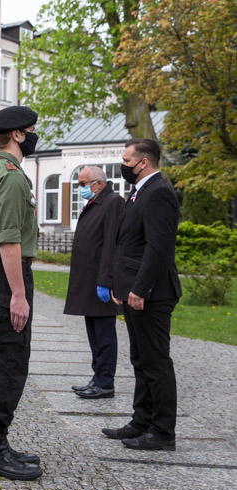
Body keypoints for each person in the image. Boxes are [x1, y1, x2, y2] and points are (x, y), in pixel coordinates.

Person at [0, 105, 42, 481]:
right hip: (5, 277)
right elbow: (9, 241)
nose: (34, 135)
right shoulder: (12, 177)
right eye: (32, 130)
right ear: (17, 134)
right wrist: (19, 294)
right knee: (7, 361)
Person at [103, 138, 181, 451]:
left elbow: (158, 247)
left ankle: (163, 432)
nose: (123, 166)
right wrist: (120, 285)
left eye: (126, 160)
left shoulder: (159, 192)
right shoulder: (140, 192)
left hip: (151, 292)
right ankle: (141, 421)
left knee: (156, 362)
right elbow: (128, 244)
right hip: (133, 290)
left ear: (143, 162)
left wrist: (140, 288)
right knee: (141, 360)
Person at [65, 166, 124, 399]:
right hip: (89, 280)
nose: (80, 188)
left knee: (105, 334)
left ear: (98, 184)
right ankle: (97, 377)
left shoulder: (113, 202)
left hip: (101, 280)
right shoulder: (97, 202)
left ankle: (105, 382)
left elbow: (111, 243)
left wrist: (106, 281)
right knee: (94, 334)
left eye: (83, 183)